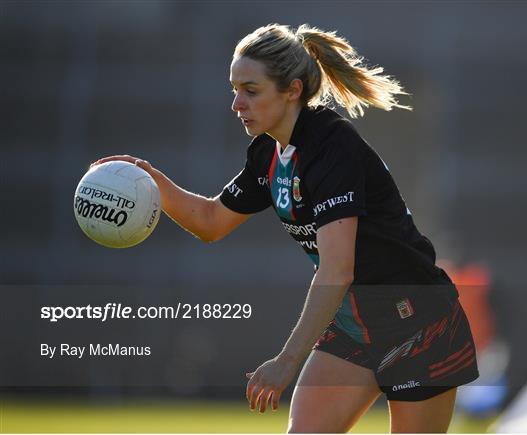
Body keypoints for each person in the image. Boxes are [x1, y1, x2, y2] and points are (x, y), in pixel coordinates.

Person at [93, 24, 479, 433]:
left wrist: (286, 361)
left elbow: (337, 270)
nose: (236, 103)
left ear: (292, 90)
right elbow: (210, 222)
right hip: (355, 324)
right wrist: (151, 182)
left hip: (418, 322)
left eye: (251, 90)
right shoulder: (267, 153)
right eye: (234, 89)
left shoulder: (333, 146)